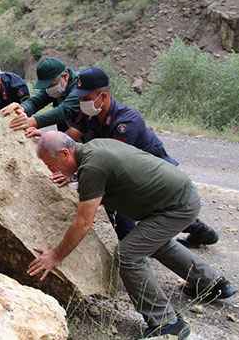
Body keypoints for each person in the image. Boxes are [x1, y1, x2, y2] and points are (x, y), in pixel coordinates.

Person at [28, 131, 236, 339]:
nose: (51, 170)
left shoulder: (92, 167)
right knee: (156, 244)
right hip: (178, 195)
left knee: (128, 255)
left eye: (51, 165)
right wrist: (72, 175)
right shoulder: (94, 147)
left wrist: (55, 256)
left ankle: (166, 323)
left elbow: (83, 223)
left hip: (177, 206)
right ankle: (213, 284)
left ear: (65, 154)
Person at [39, 67, 219, 247]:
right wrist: (52, 146)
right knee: (117, 202)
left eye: (87, 98)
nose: (82, 102)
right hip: (122, 169)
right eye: (81, 98)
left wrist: (74, 175)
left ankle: (193, 233)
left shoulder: (126, 122)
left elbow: (112, 161)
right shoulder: (91, 114)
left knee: (162, 206)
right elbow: (71, 137)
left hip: (152, 169)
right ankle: (133, 243)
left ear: (103, 97)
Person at [2, 57, 82, 134]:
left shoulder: (80, 86)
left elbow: (65, 110)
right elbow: (36, 101)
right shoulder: (57, 86)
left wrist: (34, 121)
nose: (48, 89)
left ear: (65, 76)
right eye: (46, 86)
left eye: (51, 85)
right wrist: (22, 108)